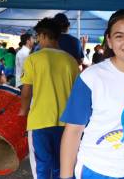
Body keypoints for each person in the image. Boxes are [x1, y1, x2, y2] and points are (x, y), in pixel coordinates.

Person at [60, 9, 124, 178]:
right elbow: (73, 131)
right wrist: (65, 176)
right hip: (97, 169)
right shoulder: (91, 78)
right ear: (109, 41)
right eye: (119, 36)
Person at [19, 18, 80, 179]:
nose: (37, 40)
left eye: (38, 36)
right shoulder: (71, 61)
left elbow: (26, 92)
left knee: (42, 166)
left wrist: (22, 112)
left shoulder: (33, 59)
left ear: (44, 35)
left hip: (40, 122)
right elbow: (77, 94)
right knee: (64, 166)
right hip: (67, 123)